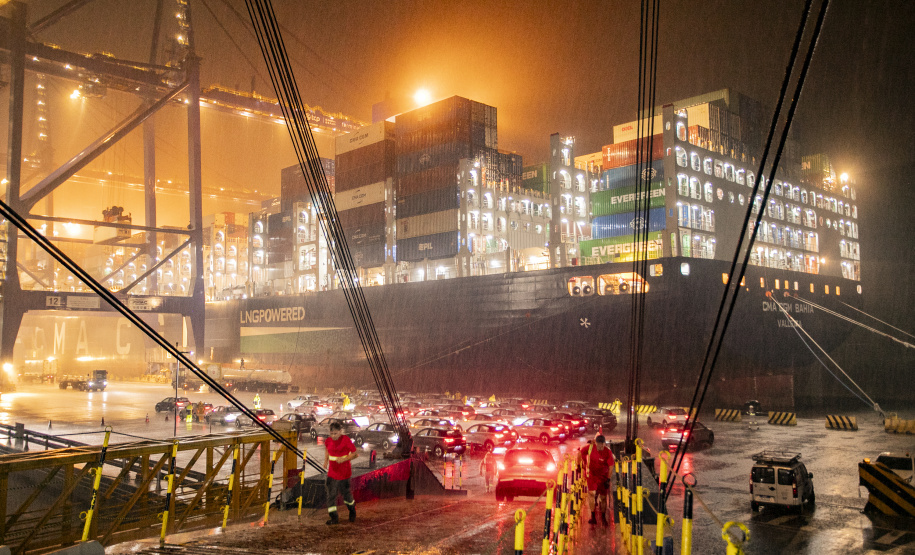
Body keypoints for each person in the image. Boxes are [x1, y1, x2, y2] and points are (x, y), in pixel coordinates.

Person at [323, 421, 357, 525]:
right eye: (331, 434)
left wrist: (344, 459)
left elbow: (355, 454)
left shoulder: (345, 440)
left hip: (344, 473)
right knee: (331, 496)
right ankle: (334, 518)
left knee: (346, 495)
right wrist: (326, 461)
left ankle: (352, 510)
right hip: (332, 473)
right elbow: (327, 450)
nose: (333, 436)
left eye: (335, 433)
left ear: (340, 432)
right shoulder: (328, 441)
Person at [580, 434, 615, 525]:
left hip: (603, 477)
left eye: (602, 445)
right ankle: (593, 516)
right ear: (596, 443)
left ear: (604, 444)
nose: (600, 447)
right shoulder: (590, 448)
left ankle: (603, 517)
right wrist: (582, 463)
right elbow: (581, 452)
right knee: (591, 494)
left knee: (603, 498)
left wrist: (608, 479)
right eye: (599, 445)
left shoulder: (608, 452)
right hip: (592, 475)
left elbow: (611, 466)